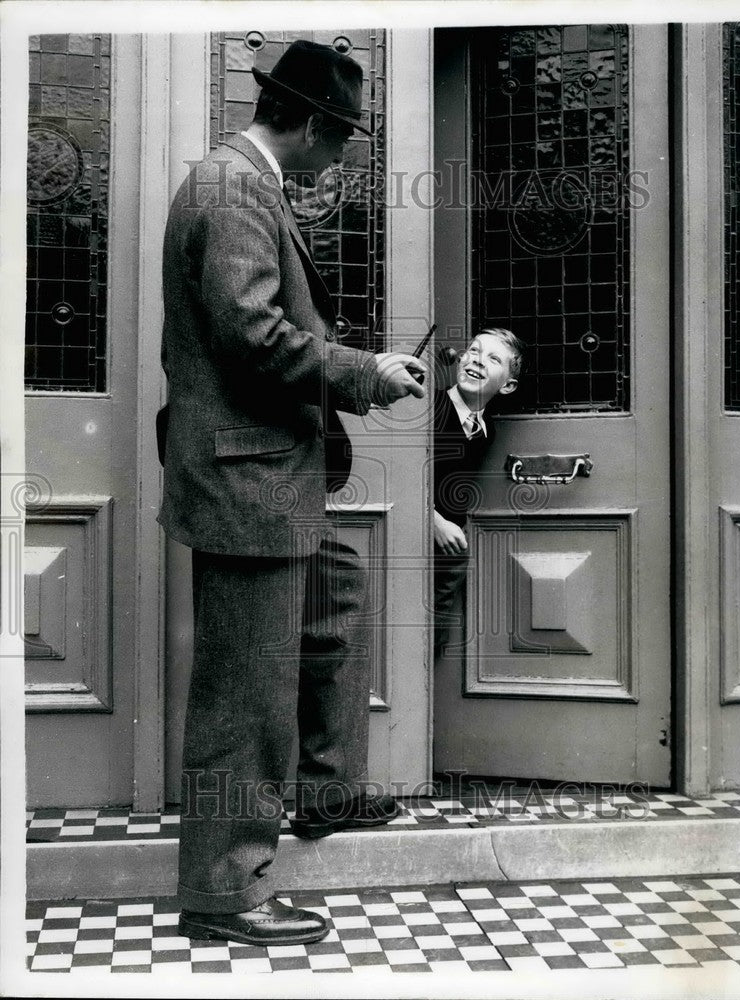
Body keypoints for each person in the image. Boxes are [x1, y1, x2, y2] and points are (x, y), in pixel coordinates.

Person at [157, 40, 427, 947]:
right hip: (248, 485)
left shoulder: (243, 183)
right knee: (244, 699)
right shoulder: (233, 189)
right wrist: (364, 372)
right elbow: (252, 334)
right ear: (309, 124)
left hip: (265, 477)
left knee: (336, 599)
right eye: (343, 137)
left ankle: (321, 792)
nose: (344, 155)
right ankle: (223, 894)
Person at [432, 328, 524, 654]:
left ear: (508, 385)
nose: (478, 360)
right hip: (417, 530)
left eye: (493, 358)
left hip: (446, 551)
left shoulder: (487, 430)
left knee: (434, 630)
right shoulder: (431, 408)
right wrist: (433, 520)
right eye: (474, 350)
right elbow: (403, 473)